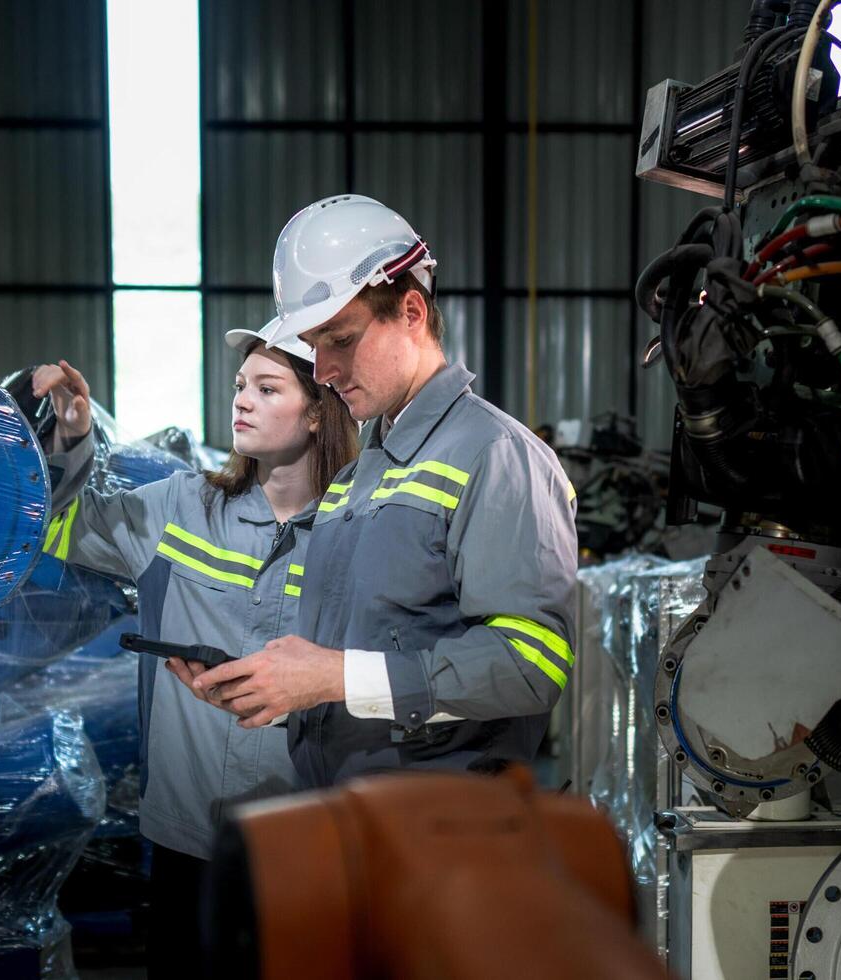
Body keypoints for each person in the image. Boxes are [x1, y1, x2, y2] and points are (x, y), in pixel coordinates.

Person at [190, 194, 580, 787]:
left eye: (341, 340)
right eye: (315, 346)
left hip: (438, 821)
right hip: (348, 810)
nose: (323, 371)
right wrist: (276, 688)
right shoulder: (354, 480)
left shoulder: (495, 455)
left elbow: (532, 665)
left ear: (412, 312)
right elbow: (360, 669)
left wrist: (334, 678)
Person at [30, 324, 357, 977]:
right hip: (189, 832)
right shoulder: (182, 507)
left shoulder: (358, 533)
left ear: (319, 412)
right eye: (240, 386)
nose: (242, 400)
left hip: (307, 832)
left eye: (268, 389)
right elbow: (56, 529)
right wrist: (72, 437)